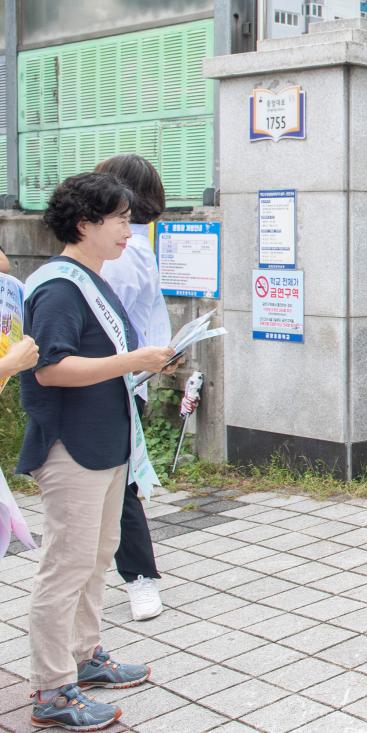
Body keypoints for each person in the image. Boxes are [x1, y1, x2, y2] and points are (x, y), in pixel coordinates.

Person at [18, 172, 179, 731]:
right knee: (66, 565)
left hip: (107, 445)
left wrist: (145, 360)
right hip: (72, 448)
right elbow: (51, 368)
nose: (129, 233)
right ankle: (51, 688)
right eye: (118, 220)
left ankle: (85, 657)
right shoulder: (60, 288)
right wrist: (132, 363)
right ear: (84, 224)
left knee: (95, 555)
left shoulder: (93, 278)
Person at [95, 154, 172, 622]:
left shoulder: (127, 253)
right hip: (123, 379)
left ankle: (141, 579)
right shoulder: (140, 245)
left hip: (115, 381)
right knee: (119, 485)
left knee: (121, 486)